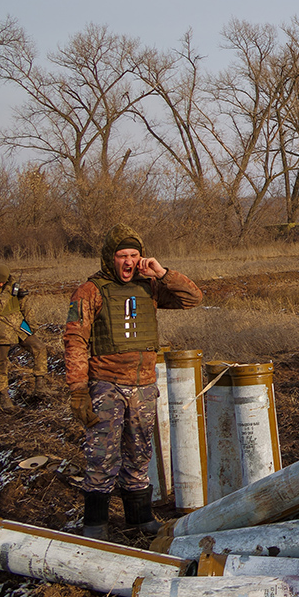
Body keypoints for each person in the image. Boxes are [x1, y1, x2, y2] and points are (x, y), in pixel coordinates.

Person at [63, 223, 202, 540]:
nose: (128, 262)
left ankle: (140, 518)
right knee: (101, 455)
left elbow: (192, 298)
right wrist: (78, 391)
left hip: (142, 386)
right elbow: (74, 341)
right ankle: (95, 524)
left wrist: (161, 272)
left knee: (139, 454)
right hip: (105, 386)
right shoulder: (90, 292)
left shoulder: (149, 286)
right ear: (109, 258)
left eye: (134, 255)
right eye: (122, 255)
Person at [0, 264, 50, 410]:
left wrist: (32, 325)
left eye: (4, 282)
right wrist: (8, 290)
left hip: (18, 325)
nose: (1, 284)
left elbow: (23, 305)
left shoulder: (12, 284)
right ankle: (4, 398)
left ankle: (40, 386)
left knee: (39, 348)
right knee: (1, 364)